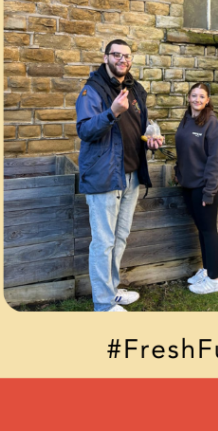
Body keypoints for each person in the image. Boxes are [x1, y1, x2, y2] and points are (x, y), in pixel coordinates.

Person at [75, 39, 163, 311]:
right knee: (103, 242)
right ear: (106, 58)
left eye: (126, 56)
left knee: (120, 237)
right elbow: (86, 130)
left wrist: (150, 137)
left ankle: (112, 290)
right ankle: (102, 304)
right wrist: (112, 112)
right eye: (116, 55)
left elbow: (139, 124)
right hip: (104, 177)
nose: (122, 60)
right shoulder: (92, 90)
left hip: (132, 175)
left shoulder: (135, 88)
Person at [174, 82, 218, 295]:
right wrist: (179, 173)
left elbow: (215, 160)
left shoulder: (211, 124)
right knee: (202, 231)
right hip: (188, 185)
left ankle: (214, 280)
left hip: (204, 187)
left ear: (207, 100)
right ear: (188, 98)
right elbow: (183, 150)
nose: (197, 99)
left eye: (201, 96)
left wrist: (209, 191)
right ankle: (206, 269)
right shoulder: (186, 120)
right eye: (194, 95)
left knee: (209, 230)